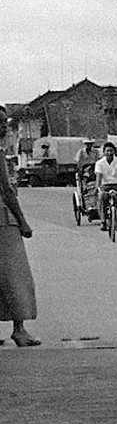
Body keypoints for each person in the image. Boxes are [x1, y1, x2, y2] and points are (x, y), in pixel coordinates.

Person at [0, 109, 39, 347]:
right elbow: (6, 191)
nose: (3, 126)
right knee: (16, 276)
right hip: (3, 221)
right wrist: (22, 221)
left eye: (5, 122)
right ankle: (19, 329)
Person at [93, 141, 117, 232]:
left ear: (114, 151)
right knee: (101, 198)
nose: (109, 153)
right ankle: (103, 221)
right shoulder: (99, 163)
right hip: (105, 186)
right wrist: (97, 188)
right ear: (104, 152)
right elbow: (99, 177)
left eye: (111, 151)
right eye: (107, 151)